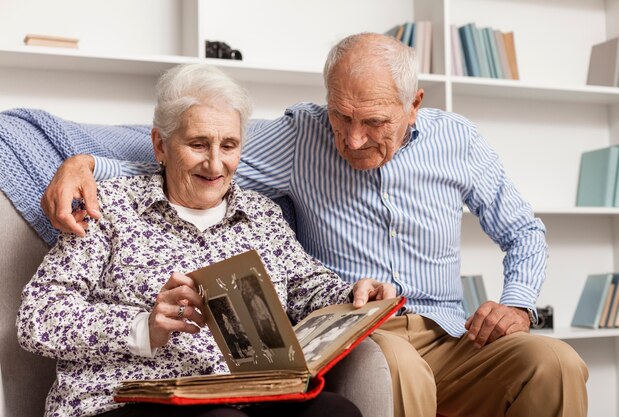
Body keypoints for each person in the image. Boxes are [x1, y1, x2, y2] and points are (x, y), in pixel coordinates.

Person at [40, 33, 588, 417]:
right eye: (340, 117)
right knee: (397, 371)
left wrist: (516, 301)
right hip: (358, 334)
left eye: (373, 122)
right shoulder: (300, 137)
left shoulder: (458, 140)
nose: (350, 140)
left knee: (554, 362)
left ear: (414, 105)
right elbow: (190, 151)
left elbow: (523, 231)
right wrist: (83, 163)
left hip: (448, 329)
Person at [17, 63, 396, 417]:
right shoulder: (108, 208)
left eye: (228, 146)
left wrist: (353, 296)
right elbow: (37, 317)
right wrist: (142, 326)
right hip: (125, 399)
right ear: (161, 146)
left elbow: (305, 286)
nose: (215, 165)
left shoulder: (262, 215)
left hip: (245, 394)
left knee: (335, 412)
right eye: (198, 144)